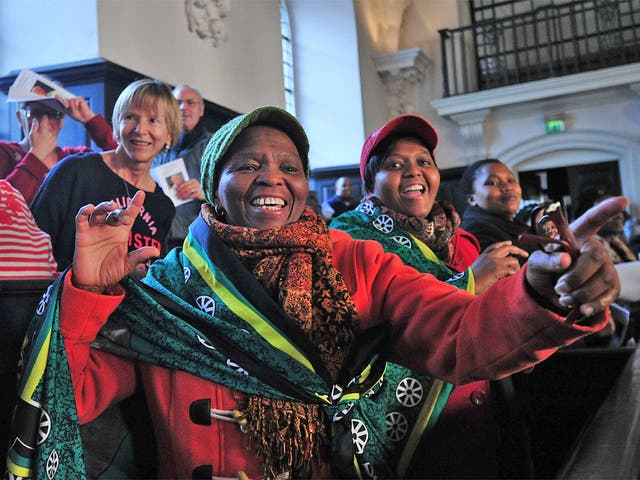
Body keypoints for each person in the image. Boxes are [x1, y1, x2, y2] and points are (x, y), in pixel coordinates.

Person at [7, 106, 622, 480]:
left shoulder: (354, 261)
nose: (271, 175)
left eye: (290, 166)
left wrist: (543, 295)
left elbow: (462, 337)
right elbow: (72, 398)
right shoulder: (166, 288)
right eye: (247, 164)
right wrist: (86, 289)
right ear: (213, 185)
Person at [330, 114, 531, 478]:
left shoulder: (454, 238)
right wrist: (470, 281)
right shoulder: (349, 236)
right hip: (414, 436)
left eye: (424, 161)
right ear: (370, 184)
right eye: (395, 164)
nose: (414, 171)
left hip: (478, 412)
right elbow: (375, 331)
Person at [30, 79, 180, 270]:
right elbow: (31, 247)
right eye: (130, 117)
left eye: (153, 120)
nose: (140, 130)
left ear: (170, 134)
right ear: (117, 125)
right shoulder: (74, 171)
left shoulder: (164, 206)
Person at [1, 93, 117, 205]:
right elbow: (5, 205)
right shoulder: (5, 152)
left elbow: (123, 158)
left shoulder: (74, 157)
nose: (45, 123)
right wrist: (36, 154)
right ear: (20, 118)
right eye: (36, 113)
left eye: (54, 114)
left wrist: (90, 119)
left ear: (62, 119)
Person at [153, 84, 212, 250]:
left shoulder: (216, 145)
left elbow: (232, 190)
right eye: (177, 102)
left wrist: (205, 192)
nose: (183, 107)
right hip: (157, 237)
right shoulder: (155, 145)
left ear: (201, 110)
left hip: (197, 240)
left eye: (190, 102)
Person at [460, 158, 537, 262]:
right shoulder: (478, 231)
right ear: (472, 199)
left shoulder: (513, 222)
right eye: (493, 182)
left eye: (511, 180)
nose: (508, 187)